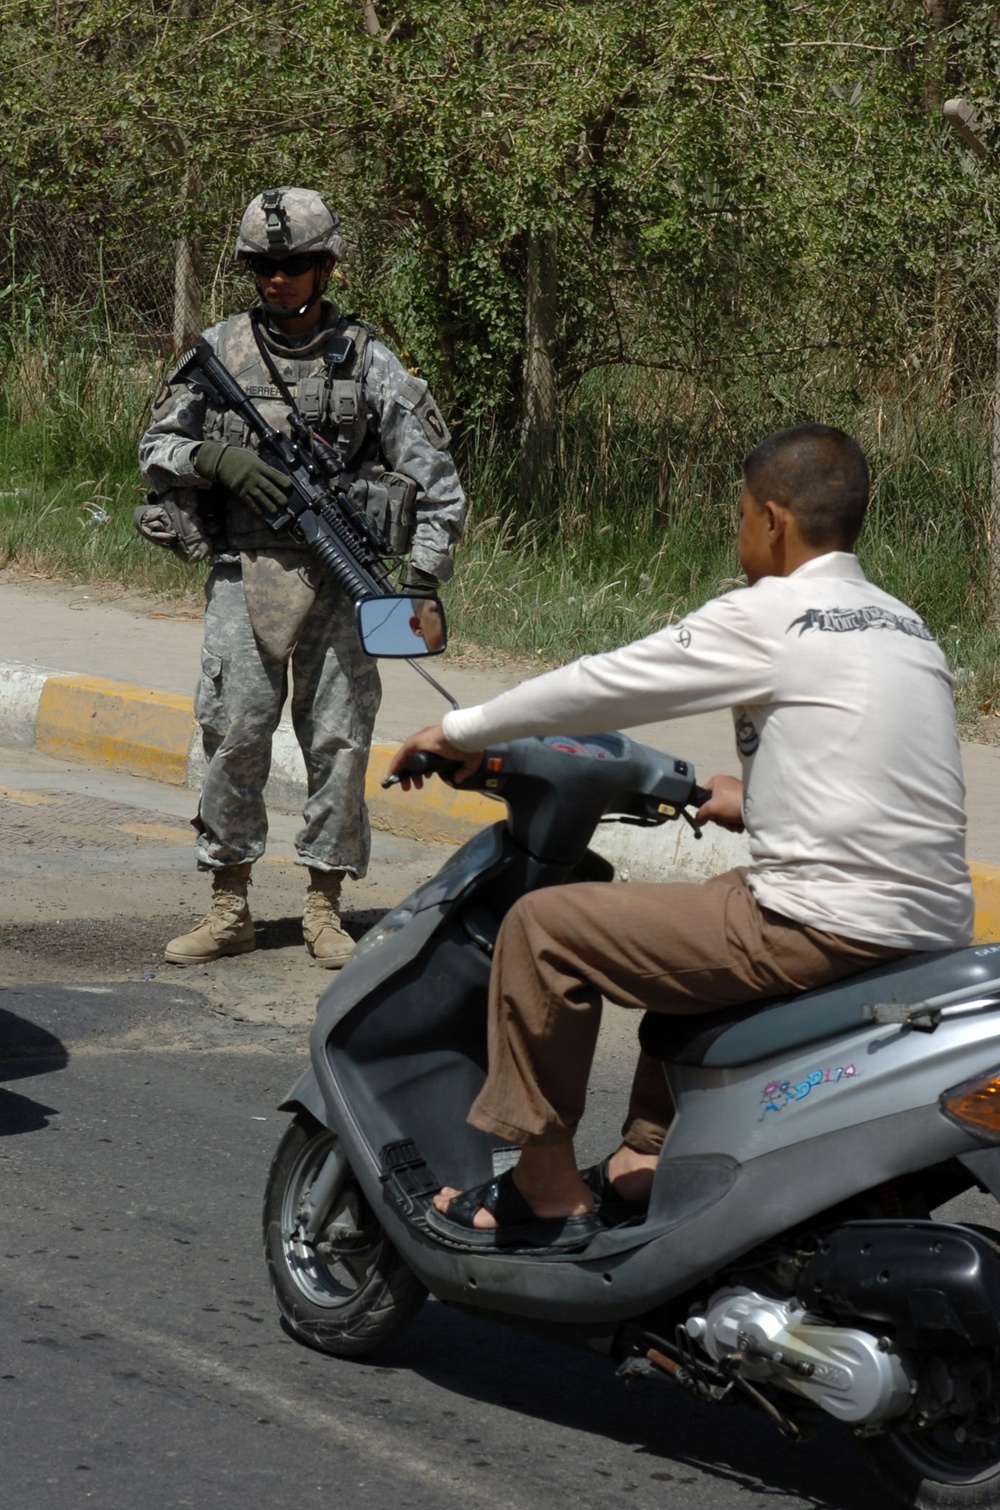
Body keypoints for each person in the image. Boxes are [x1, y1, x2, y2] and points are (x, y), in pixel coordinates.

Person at [387, 424, 973, 1251]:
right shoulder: (903, 625)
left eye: (739, 515)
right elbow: (873, 778)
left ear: (772, 519)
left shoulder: (776, 614)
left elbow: (607, 684)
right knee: (696, 909)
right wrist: (758, 801)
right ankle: (645, 1156)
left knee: (545, 930)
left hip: (825, 924)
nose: (738, 533)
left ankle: (543, 1181)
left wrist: (457, 728)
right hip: (927, 927)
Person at [139, 187, 464, 969]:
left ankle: (324, 907)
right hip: (243, 573)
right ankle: (230, 907)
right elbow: (154, 447)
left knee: (341, 742)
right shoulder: (219, 352)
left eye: (294, 266)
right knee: (233, 737)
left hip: (343, 582)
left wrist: (419, 579)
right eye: (263, 266)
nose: (278, 279)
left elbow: (438, 481)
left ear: (326, 268)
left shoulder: (368, 361)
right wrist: (213, 458)